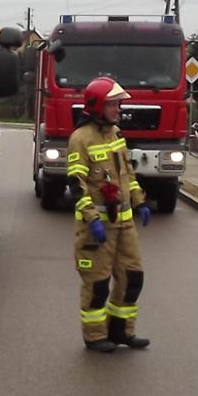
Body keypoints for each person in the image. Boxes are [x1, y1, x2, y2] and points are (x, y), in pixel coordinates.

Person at [65, 74, 151, 353]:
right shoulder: (81, 139)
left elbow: (127, 174)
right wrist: (92, 219)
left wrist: (139, 202)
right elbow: (76, 185)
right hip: (97, 230)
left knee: (132, 278)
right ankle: (94, 336)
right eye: (113, 104)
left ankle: (122, 331)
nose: (118, 109)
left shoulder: (115, 134)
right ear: (97, 106)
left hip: (124, 225)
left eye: (118, 104)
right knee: (98, 285)